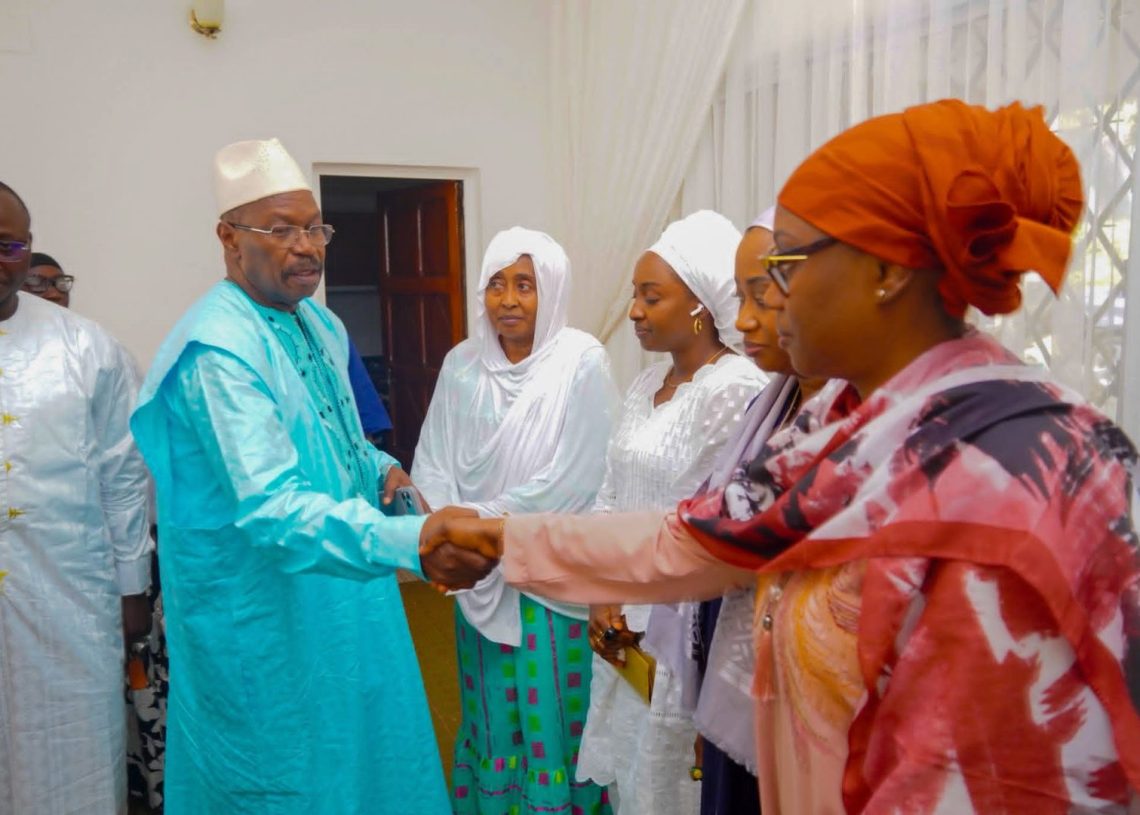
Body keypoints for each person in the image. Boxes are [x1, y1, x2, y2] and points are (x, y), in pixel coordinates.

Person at [423, 100, 1140, 812]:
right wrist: (499, 538)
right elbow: (700, 537)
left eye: (784, 268)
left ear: (885, 270)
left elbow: (988, 771)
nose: (757, 308)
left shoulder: (1012, 468)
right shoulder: (839, 419)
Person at [129, 138, 485, 815]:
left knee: (366, 753)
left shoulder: (319, 324)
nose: (306, 248)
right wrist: (411, 541)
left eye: (315, 228)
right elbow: (270, 507)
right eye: (281, 230)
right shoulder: (219, 351)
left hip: (342, 590)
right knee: (286, 775)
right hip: (263, 610)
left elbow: (332, 437)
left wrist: (380, 467)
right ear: (229, 237)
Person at [410, 226, 619, 814]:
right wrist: (455, 534)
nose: (507, 300)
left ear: (550, 289)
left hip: (548, 570)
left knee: (552, 716)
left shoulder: (580, 362)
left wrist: (470, 527)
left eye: (524, 285)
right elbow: (433, 460)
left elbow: (576, 478)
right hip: (476, 574)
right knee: (492, 715)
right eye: (496, 284)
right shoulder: (461, 365)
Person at [577, 210, 764, 814]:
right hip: (621, 619)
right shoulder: (645, 386)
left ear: (701, 305)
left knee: (674, 780)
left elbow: (703, 529)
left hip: (680, 626)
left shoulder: (733, 390)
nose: (634, 311)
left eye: (650, 297)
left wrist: (628, 596)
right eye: (635, 295)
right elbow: (609, 496)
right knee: (631, 776)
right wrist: (601, 595)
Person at [0, 181, 153, 814]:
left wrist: (132, 588)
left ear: (28, 246)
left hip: (69, 596)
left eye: (9, 245)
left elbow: (124, 476)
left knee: (73, 760)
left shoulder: (88, 347)